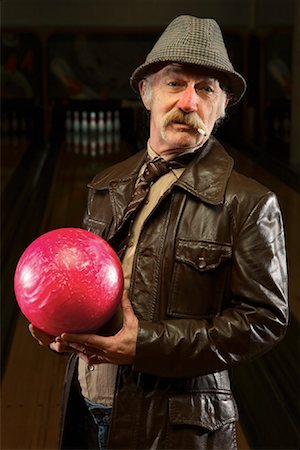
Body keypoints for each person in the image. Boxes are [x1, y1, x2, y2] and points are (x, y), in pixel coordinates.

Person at [29, 15, 288, 450]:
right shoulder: (106, 184)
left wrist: (145, 345)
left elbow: (264, 321)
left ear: (222, 106)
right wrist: (63, 328)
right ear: (146, 92)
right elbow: (95, 289)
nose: (188, 101)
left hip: (174, 426)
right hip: (86, 406)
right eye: (175, 83)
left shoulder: (249, 203)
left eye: (205, 88)